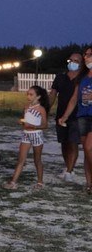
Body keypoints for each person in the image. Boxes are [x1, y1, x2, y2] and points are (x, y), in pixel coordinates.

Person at [59, 46, 92, 194]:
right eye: (86, 54)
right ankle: (89, 183)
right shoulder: (83, 77)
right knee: (86, 150)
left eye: (90, 55)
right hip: (83, 116)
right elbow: (74, 99)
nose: (87, 57)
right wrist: (65, 115)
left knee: (89, 148)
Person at [3, 86, 49, 190]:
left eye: (31, 94)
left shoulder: (41, 109)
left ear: (38, 97)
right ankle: (13, 182)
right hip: (26, 134)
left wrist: (32, 126)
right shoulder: (26, 107)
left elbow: (45, 125)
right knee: (21, 159)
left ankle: (40, 182)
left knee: (37, 160)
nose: (28, 96)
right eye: (27, 94)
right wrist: (22, 122)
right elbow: (26, 121)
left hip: (36, 134)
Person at [49, 52, 82, 182]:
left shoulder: (83, 78)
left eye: (76, 61)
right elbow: (52, 95)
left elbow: (75, 99)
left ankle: (70, 170)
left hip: (77, 116)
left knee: (73, 142)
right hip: (61, 114)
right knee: (64, 142)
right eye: (71, 60)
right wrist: (45, 109)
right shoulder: (60, 77)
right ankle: (67, 165)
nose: (73, 63)